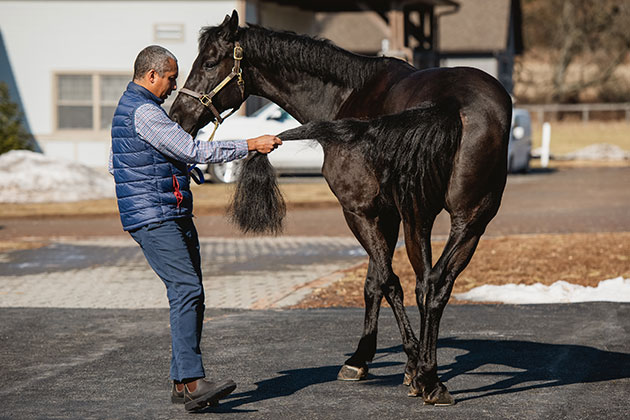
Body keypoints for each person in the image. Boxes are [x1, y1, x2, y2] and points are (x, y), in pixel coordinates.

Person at [109, 45, 282, 411]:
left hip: (168, 211)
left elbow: (125, 163)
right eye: (171, 78)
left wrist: (172, 173)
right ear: (151, 75)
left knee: (191, 292)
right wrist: (250, 144)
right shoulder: (144, 112)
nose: (174, 86)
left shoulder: (136, 109)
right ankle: (192, 380)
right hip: (156, 218)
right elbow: (192, 150)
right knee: (186, 288)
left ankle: (181, 383)